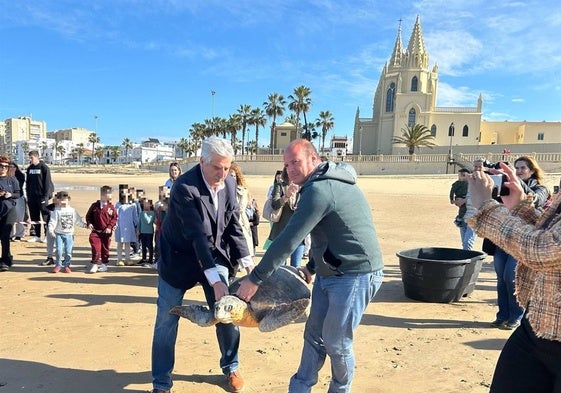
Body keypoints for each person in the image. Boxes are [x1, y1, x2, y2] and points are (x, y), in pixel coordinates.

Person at [236, 139, 384, 393]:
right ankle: (300, 387)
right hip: (331, 271)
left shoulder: (319, 190)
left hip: (356, 274)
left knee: (337, 342)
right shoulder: (316, 186)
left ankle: (340, 388)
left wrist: (255, 279)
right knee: (314, 335)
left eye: (296, 162)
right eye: (286, 164)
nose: (290, 169)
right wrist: (313, 267)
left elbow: (288, 240)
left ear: (314, 160)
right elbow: (328, 234)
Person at [150, 136, 254, 393]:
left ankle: (231, 366)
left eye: (227, 167)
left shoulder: (229, 183)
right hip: (178, 258)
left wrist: (249, 263)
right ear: (201, 161)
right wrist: (216, 282)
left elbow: (233, 226)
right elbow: (197, 235)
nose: (223, 173)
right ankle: (161, 382)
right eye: (217, 167)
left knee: (227, 312)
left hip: (214, 255)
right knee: (166, 318)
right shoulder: (184, 187)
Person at [467, 163, 561, 393]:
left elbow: (546, 250)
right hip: (538, 329)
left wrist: (487, 208)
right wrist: (520, 208)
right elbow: (551, 236)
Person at [267, 167, 306, 267]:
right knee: (280, 266)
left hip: (299, 233)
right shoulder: (280, 186)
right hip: (281, 232)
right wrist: (286, 196)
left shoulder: (304, 187)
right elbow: (275, 204)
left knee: (296, 266)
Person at [47, 191, 87, 273]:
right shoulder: (56, 211)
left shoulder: (72, 210)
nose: (63, 202)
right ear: (58, 200)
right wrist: (51, 230)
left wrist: (85, 225)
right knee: (59, 250)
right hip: (59, 234)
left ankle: (67, 265)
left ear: (68, 200)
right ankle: (58, 265)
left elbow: (78, 221)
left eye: (65, 199)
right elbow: (52, 222)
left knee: (68, 251)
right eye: (61, 200)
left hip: (69, 234)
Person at [85, 185, 117, 273]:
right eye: (108, 194)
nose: (110, 196)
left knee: (105, 249)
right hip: (95, 232)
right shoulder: (94, 206)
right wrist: (89, 223)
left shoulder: (111, 207)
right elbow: (88, 216)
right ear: (103, 195)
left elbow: (114, 218)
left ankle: (104, 264)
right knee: (96, 248)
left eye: (111, 194)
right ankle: (95, 264)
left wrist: (110, 227)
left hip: (106, 233)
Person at [25, 150, 54, 242]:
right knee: (34, 216)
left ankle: (46, 235)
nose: (30, 159)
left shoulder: (44, 168)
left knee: (45, 216)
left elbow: (48, 183)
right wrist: (28, 195)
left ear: (37, 157)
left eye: (31, 158)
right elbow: (28, 183)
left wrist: (46, 196)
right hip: (32, 197)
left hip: (42, 197)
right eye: (29, 158)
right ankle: (37, 236)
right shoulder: (29, 168)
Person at [0, 156, 21, 271]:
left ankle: (5, 261)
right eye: (1, 166)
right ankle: (7, 256)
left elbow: (18, 194)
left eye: (6, 166)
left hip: (9, 210)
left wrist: (10, 195)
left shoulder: (12, 180)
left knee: (5, 236)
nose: (3, 168)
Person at [229, 162, 254, 256]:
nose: (231, 179)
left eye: (233, 176)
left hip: (240, 224)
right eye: (229, 176)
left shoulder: (242, 191)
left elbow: (240, 208)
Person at [449, 168, 477, 250]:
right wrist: (456, 201)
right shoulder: (460, 185)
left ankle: (467, 261)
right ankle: (467, 259)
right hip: (463, 217)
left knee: (467, 242)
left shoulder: (476, 186)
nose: (460, 177)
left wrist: (464, 200)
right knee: (465, 242)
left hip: (473, 217)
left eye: (462, 175)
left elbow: (480, 200)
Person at [114, 185, 139, 267]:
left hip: (129, 227)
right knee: (120, 243)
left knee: (128, 243)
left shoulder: (133, 205)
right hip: (120, 227)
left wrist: (137, 226)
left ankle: (127, 258)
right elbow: (115, 216)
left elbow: (135, 217)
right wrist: (114, 225)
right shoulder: (118, 205)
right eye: (123, 193)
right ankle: (119, 259)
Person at [8, 162, 26, 242]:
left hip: (19, 197)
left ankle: (19, 234)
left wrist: (12, 176)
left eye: (13, 167)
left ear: (16, 168)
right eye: (10, 167)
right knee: (9, 216)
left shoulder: (20, 175)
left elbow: (18, 187)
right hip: (8, 198)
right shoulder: (5, 176)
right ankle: (10, 234)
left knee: (19, 216)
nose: (11, 168)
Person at [138, 198, 155, 266]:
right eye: (144, 204)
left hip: (149, 232)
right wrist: (138, 230)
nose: (145, 205)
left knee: (149, 246)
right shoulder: (141, 213)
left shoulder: (152, 213)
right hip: (142, 232)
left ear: (150, 205)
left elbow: (148, 221)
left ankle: (150, 259)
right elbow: (140, 222)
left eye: (147, 204)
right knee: (143, 246)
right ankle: (144, 258)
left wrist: (145, 214)